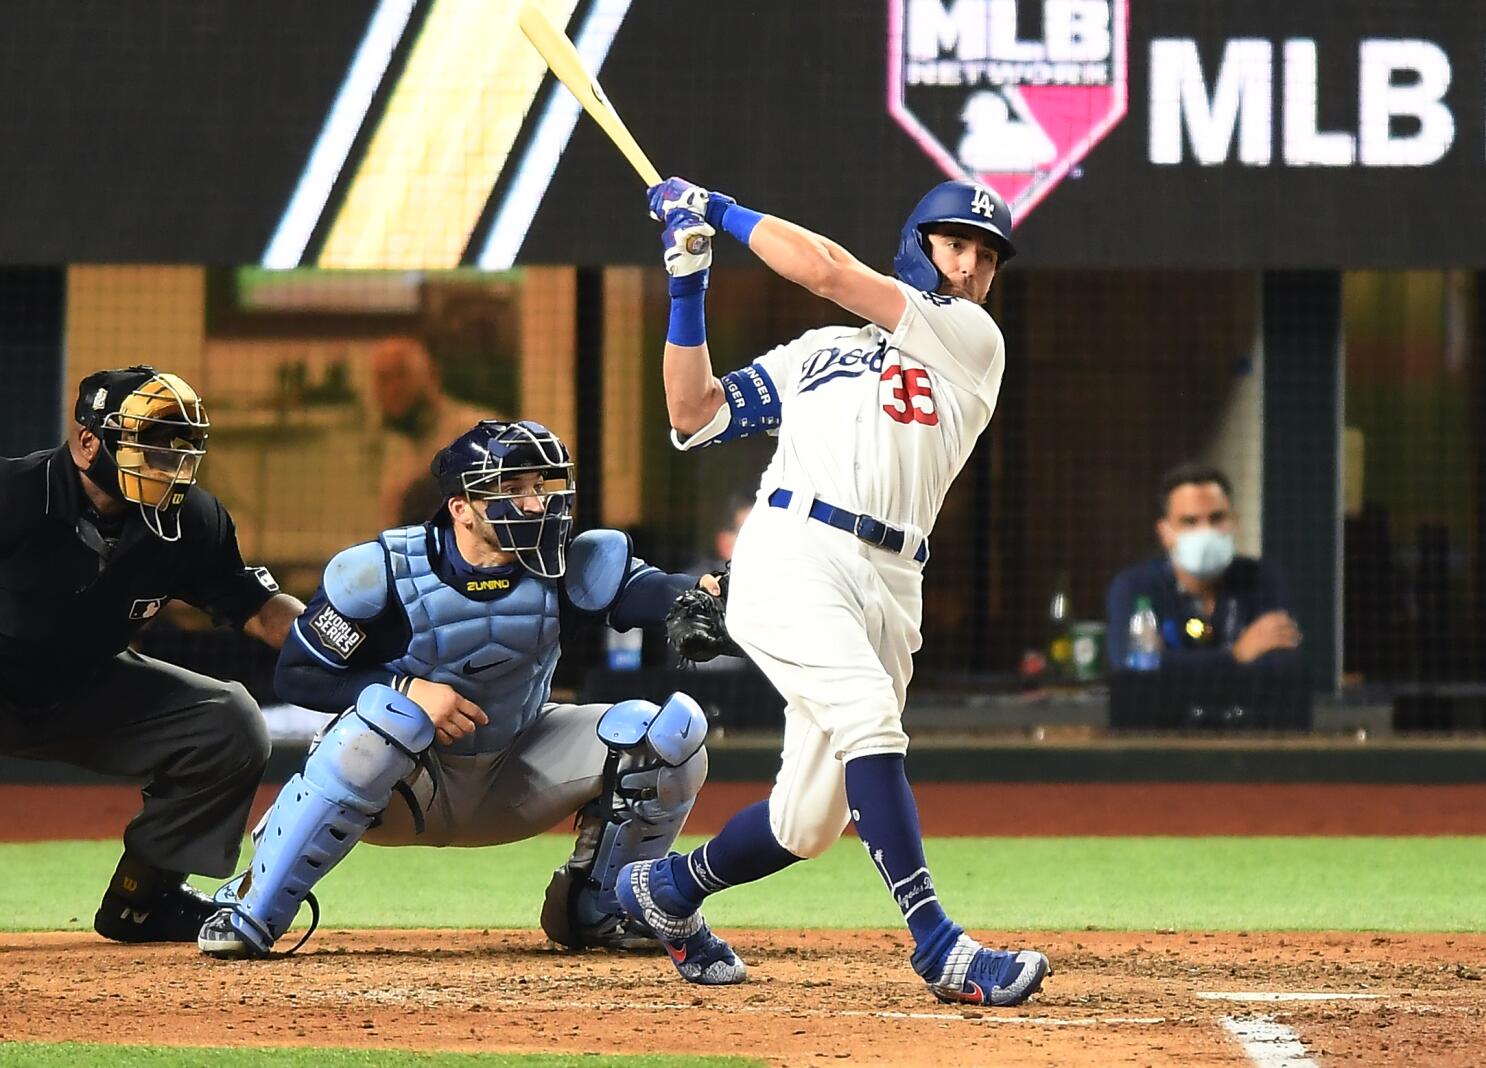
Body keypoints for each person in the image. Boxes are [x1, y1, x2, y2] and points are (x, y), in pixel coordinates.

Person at [608, 177, 1050, 1005]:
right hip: (791, 549)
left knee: (806, 824)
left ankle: (665, 890)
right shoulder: (816, 351)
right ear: (918, 242)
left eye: (986, 257)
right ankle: (937, 944)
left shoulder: (972, 341)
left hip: (891, 579)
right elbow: (691, 409)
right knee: (869, 723)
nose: (969, 267)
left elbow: (827, 270)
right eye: (955, 245)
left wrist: (722, 209)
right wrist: (687, 283)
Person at [197, 418, 717, 960]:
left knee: (669, 735)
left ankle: (602, 907)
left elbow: (654, 593)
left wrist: (704, 597)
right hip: (404, 784)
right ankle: (255, 905)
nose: (536, 504)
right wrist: (406, 686)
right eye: (513, 489)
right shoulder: (382, 571)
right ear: (461, 507)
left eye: (541, 486)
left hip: (516, 769)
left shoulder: (568, 563)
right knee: (387, 718)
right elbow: (297, 673)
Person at [0, 365, 304, 943]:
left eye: (177, 443)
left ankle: (146, 900)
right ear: (89, 442)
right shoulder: (13, 494)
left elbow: (256, 607)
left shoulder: (190, 520)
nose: (168, 458)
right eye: (151, 442)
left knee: (227, 723)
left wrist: (335, 637)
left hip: (86, 687)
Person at [1106, 462, 1301, 668]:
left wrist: (1175, 662)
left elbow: (1282, 662)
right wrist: (1235, 656)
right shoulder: (1135, 586)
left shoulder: (1264, 578)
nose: (1206, 532)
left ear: (1234, 520)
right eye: (1190, 522)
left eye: (1217, 518)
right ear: (1164, 532)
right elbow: (1132, 666)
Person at [372, 336, 498, 528]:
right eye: (384, 378)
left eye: (401, 375)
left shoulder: (477, 432)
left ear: (432, 376)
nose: (393, 390)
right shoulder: (396, 454)